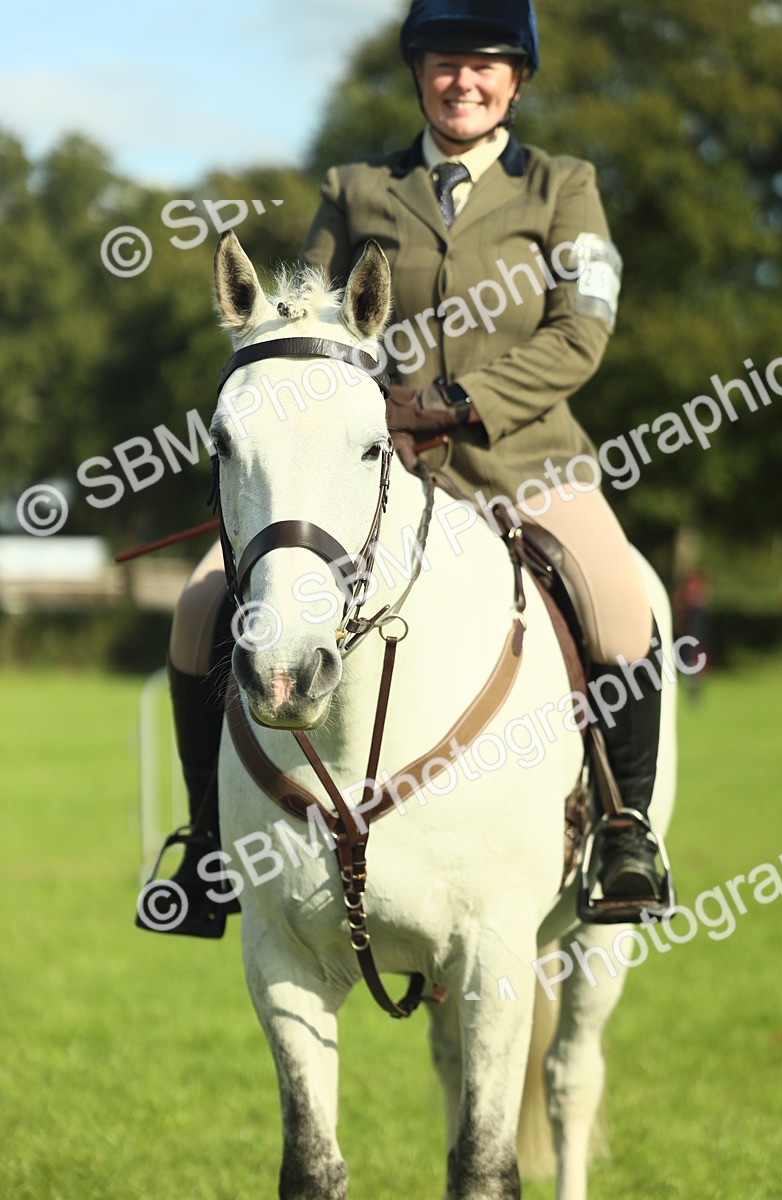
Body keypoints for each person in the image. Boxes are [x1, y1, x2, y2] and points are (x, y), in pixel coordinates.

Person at [139, 0, 670, 938]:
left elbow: (580, 331)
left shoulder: (564, 186)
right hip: (375, 476)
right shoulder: (356, 187)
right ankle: (211, 844)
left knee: (621, 601)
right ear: (418, 72)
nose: (463, 80)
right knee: (197, 607)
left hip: (527, 462)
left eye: (486, 65)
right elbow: (305, 326)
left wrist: (458, 404)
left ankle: (623, 830)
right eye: (443, 62)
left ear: (517, 80)